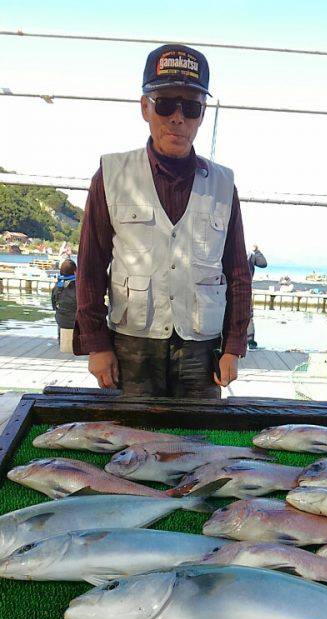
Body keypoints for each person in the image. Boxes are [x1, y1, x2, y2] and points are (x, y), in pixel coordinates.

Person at [73, 44, 251, 397]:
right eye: (166, 103)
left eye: (191, 107)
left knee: (200, 442)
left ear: (202, 114)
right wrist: (97, 345)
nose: (178, 117)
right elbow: (91, 266)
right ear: (145, 107)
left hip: (202, 349)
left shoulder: (223, 184)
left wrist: (233, 346)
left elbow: (238, 272)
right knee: (132, 442)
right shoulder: (110, 175)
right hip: (132, 345)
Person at [51, 258, 77, 354]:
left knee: (60, 313)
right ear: (75, 271)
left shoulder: (58, 286)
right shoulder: (78, 286)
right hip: (76, 321)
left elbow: (53, 305)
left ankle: (60, 341)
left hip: (61, 321)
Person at [247, 244, 267, 349]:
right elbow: (263, 263)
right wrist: (257, 251)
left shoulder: (250, 254)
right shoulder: (250, 254)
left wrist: (257, 251)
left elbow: (263, 263)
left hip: (243, 289)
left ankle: (250, 341)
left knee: (248, 316)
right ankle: (250, 341)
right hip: (243, 289)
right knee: (248, 317)